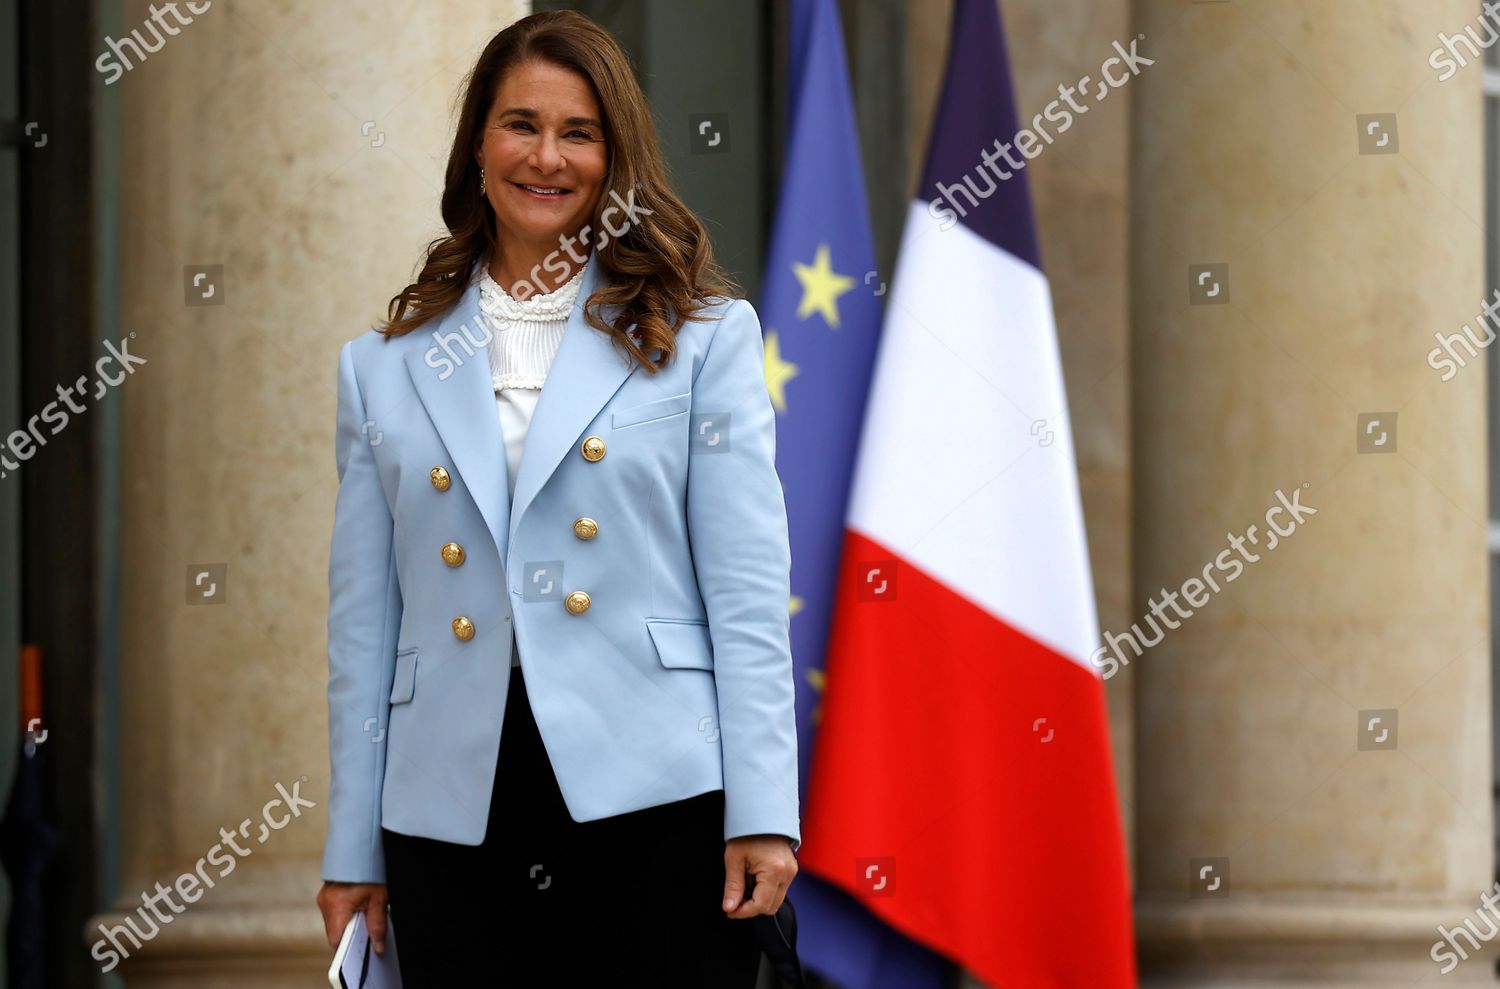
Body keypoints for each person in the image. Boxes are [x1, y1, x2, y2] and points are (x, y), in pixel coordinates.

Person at [312, 10, 800, 985]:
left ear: (616, 157)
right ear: (478, 146)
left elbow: (747, 595)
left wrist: (763, 808)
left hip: (658, 793)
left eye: (579, 132)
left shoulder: (704, 340)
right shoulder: (382, 369)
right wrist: (351, 846)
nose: (547, 156)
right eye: (520, 125)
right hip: (450, 804)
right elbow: (365, 628)